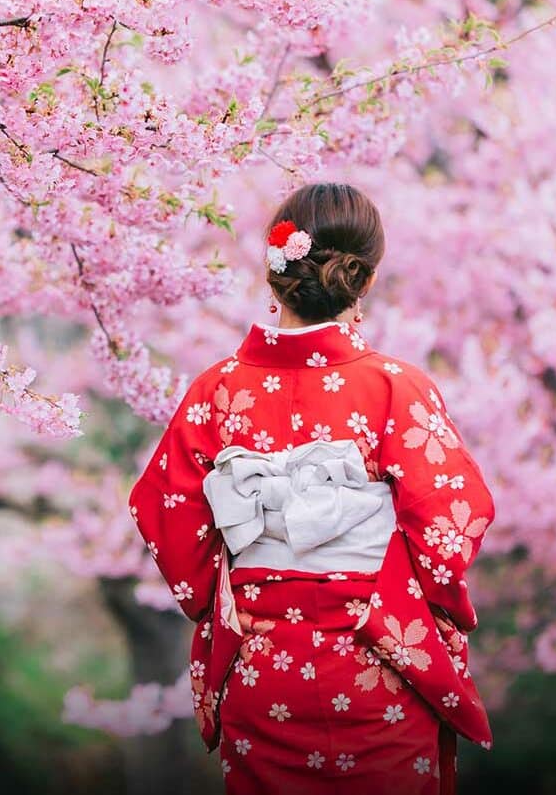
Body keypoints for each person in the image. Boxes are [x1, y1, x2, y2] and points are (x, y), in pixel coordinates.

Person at [128, 182, 495, 795]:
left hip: (262, 667)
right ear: (365, 280)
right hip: (376, 663)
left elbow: (164, 513)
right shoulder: (395, 388)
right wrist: (393, 598)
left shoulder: (215, 391)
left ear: (276, 279)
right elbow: (452, 518)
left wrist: (236, 593)